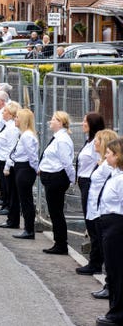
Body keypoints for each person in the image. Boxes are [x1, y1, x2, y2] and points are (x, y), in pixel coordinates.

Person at [86, 130, 119, 299]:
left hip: (104, 212)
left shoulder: (108, 166)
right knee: (104, 249)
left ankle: (109, 285)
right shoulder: (103, 162)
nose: (95, 143)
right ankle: (109, 284)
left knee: (110, 255)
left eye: (98, 140)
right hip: (97, 210)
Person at [94, 138, 123, 326]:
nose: (105, 156)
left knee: (118, 271)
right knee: (112, 270)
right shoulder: (115, 174)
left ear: (118, 156)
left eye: (109, 154)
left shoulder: (121, 180)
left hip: (117, 225)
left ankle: (118, 315)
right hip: (108, 224)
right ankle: (114, 310)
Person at [39, 110, 75, 255]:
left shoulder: (62, 140)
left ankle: (61, 244)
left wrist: (72, 179)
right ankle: (58, 242)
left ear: (60, 123)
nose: (50, 121)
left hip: (56, 179)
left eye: (53, 119)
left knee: (56, 212)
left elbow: (66, 163)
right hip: (51, 178)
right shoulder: (57, 138)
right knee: (54, 212)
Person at [75, 112, 106, 274]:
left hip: (90, 182)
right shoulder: (89, 142)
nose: (82, 123)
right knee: (90, 222)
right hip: (84, 182)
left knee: (93, 224)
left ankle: (95, 263)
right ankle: (95, 261)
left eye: (85, 121)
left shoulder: (97, 143)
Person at [2, 106, 38, 239]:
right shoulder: (24, 134)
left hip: (25, 169)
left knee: (26, 201)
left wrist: (36, 168)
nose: (15, 119)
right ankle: (28, 228)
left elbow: (32, 156)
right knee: (24, 200)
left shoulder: (27, 136)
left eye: (17, 117)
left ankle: (29, 229)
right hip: (21, 167)